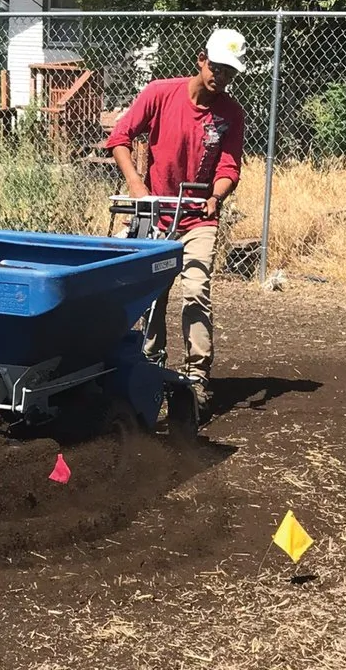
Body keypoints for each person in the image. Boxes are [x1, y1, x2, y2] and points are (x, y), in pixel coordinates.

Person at [102, 27, 247, 424]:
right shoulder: (160, 93)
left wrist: (216, 195)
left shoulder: (230, 114)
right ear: (201, 60)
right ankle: (149, 364)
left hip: (198, 215)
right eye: (216, 66)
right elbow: (120, 135)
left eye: (229, 71)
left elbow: (229, 166)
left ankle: (198, 378)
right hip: (156, 211)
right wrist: (136, 184)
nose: (220, 76)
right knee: (150, 295)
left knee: (196, 288)